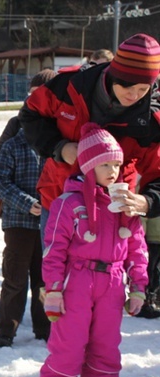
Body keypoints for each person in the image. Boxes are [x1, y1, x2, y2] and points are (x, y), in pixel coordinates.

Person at [40, 123, 147, 377]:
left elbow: (137, 249)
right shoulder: (68, 203)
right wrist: (55, 288)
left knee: (105, 346)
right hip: (77, 282)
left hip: (112, 284)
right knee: (69, 346)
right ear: (88, 166)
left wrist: (138, 286)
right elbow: (54, 250)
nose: (113, 170)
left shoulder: (124, 206)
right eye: (104, 164)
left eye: (116, 163)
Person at [20, 33, 160, 238]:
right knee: (53, 267)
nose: (133, 95)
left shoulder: (151, 119)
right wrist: (59, 147)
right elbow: (30, 114)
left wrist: (147, 202)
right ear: (113, 74)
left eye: (142, 89)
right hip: (59, 200)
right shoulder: (69, 85)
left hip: (112, 212)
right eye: (126, 86)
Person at [0, 127, 49, 347]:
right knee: (14, 277)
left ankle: (45, 327)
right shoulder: (12, 146)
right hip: (18, 221)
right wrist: (27, 203)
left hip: (50, 221)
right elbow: (0, 182)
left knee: (44, 277)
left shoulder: (55, 147)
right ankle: (7, 330)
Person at [0, 69, 57, 164]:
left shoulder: (62, 124)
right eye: (33, 93)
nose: (35, 98)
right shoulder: (16, 123)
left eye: (41, 93)